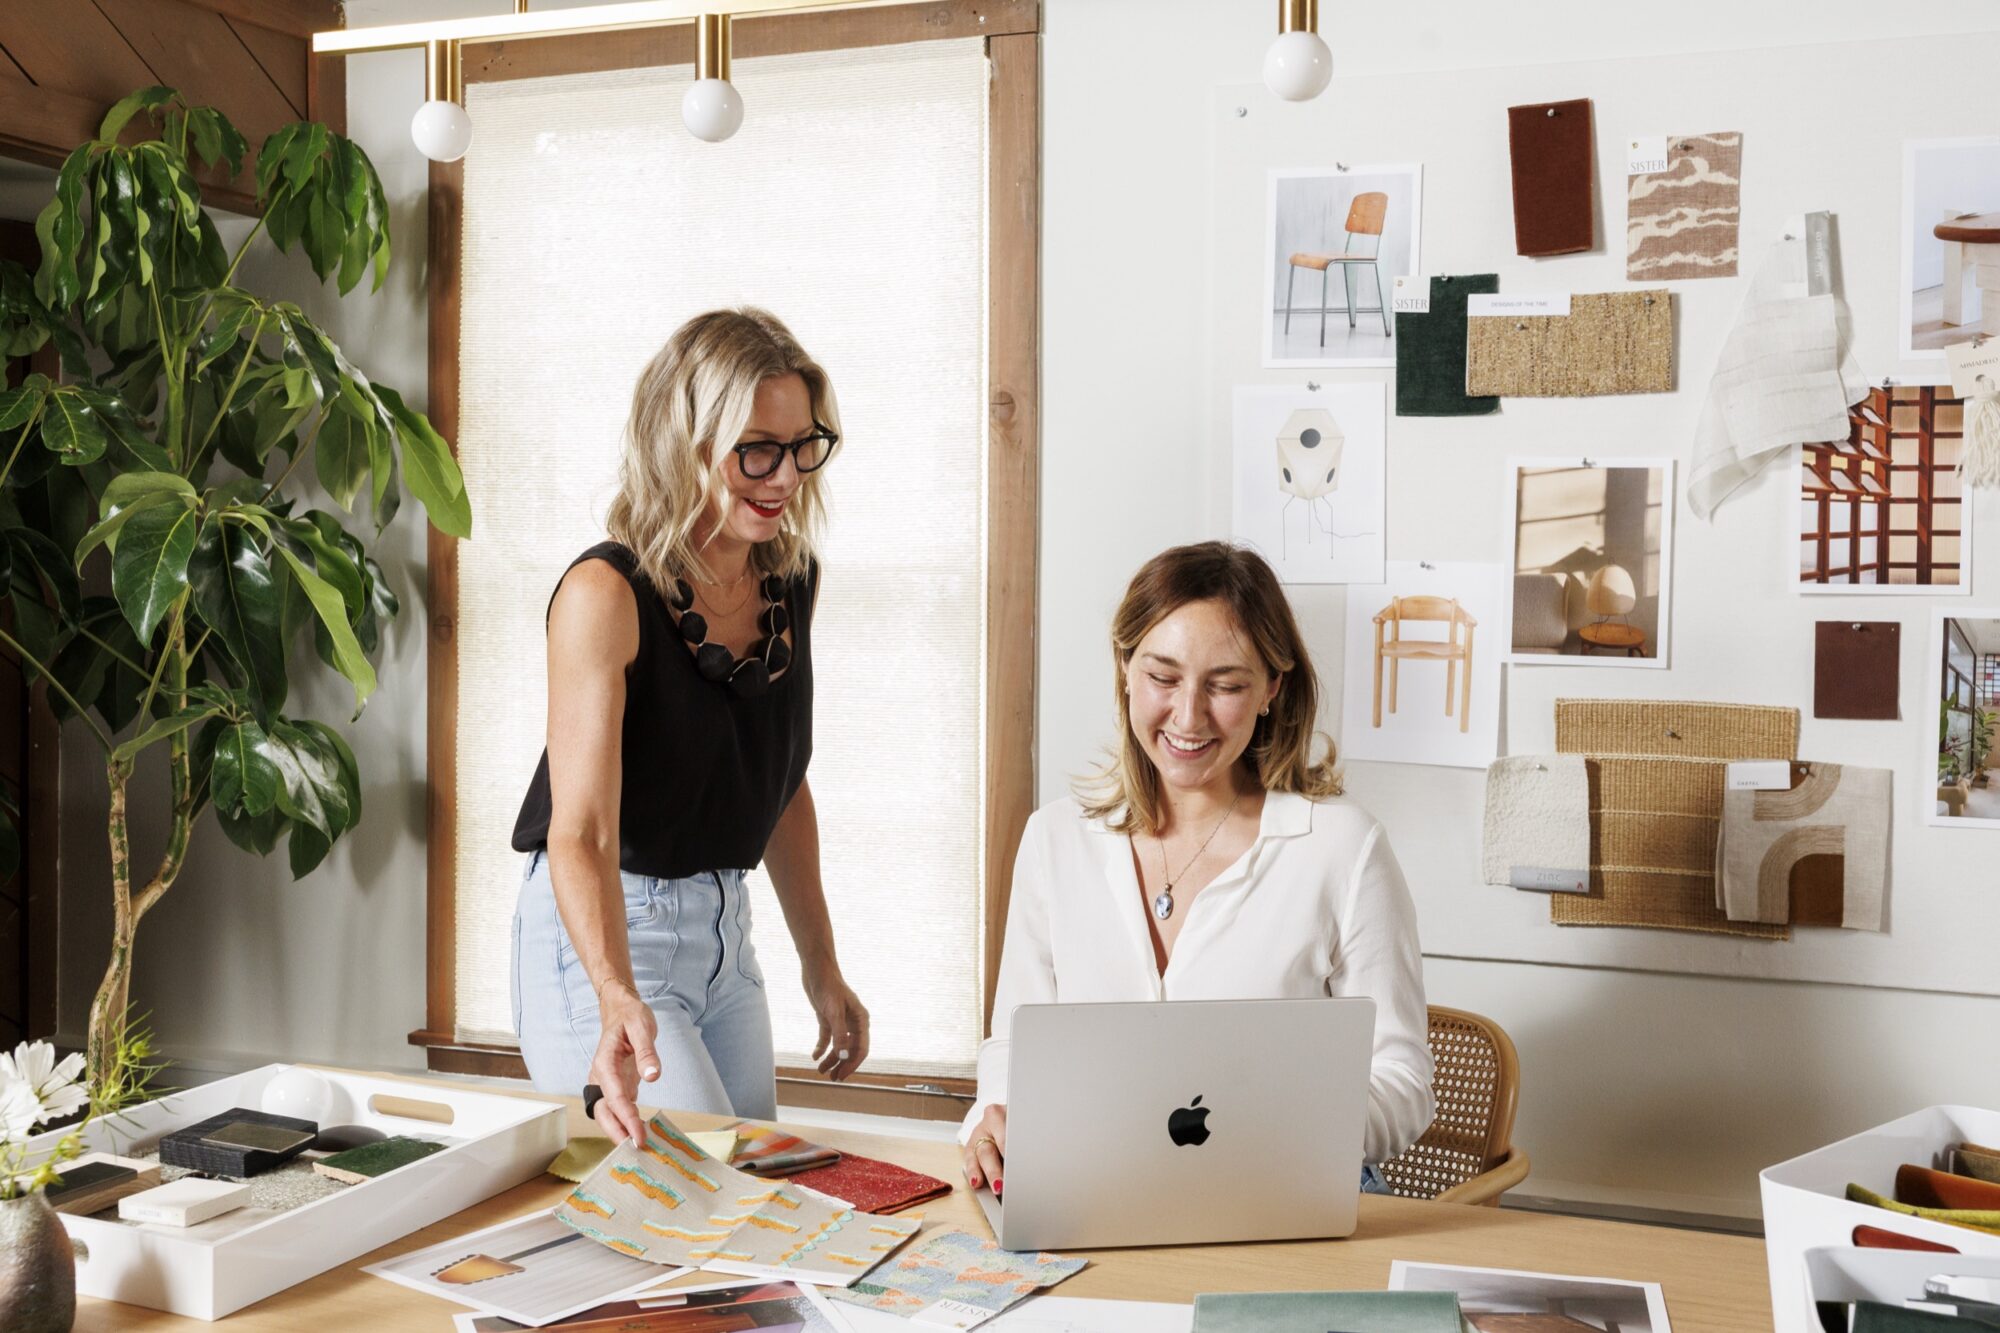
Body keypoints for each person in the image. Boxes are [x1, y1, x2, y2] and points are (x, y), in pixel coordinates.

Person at [959, 541, 1434, 1195]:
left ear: (1272, 686)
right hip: (1104, 1189)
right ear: (1125, 668)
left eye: (1226, 684)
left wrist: (1269, 1128)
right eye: (1162, 676)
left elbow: (1403, 1084)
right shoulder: (1055, 839)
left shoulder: (1342, 848)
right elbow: (1014, 1049)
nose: (1187, 715)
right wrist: (992, 1128)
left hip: (1285, 1195)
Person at [510, 308, 869, 1145]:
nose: (784, 476)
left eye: (802, 446)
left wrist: (821, 960)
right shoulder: (606, 595)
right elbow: (584, 829)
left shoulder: (789, 580)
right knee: (695, 1201)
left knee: (756, 1195)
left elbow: (776, 780)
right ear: (685, 441)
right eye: (757, 449)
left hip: (722, 935)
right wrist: (612, 988)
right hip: (607, 924)